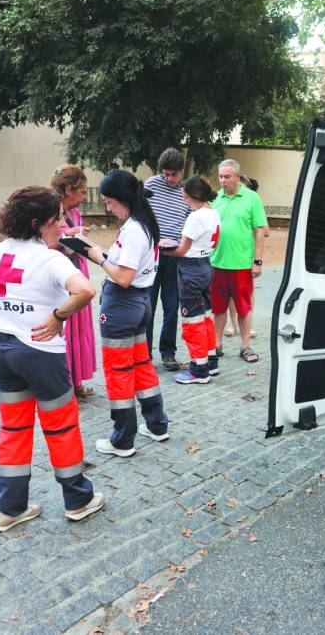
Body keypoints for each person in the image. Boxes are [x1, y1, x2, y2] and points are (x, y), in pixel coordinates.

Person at [0, 186, 105, 531]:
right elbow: (86, 291)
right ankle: (78, 500)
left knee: (13, 429)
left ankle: (9, 508)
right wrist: (59, 316)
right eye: (56, 218)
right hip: (39, 352)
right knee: (61, 428)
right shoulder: (49, 259)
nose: (61, 223)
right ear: (38, 222)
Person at [81, 170, 169, 457]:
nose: (108, 208)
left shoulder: (133, 229)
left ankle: (122, 439)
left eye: (108, 202)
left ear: (122, 199)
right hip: (140, 304)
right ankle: (156, 424)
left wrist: (98, 259)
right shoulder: (144, 224)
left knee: (118, 373)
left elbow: (123, 277)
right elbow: (125, 262)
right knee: (142, 365)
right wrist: (95, 249)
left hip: (122, 305)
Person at [211, 159, 267, 363]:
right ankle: (216, 345)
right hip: (216, 263)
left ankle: (245, 347)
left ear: (237, 176)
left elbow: (260, 230)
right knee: (218, 308)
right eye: (220, 177)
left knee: (243, 308)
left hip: (242, 265)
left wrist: (257, 261)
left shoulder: (251, 198)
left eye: (227, 176)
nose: (223, 181)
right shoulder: (215, 198)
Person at [50, 165, 98, 399]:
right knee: (65, 331)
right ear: (69, 189)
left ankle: (77, 380)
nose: (85, 196)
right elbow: (46, 243)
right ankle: (64, 382)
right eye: (82, 191)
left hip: (79, 272)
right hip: (61, 278)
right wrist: (68, 236)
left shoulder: (75, 213)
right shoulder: (52, 211)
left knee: (79, 330)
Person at [168, 176, 220, 384]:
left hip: (190, 269)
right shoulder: (213, 213)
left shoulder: (195, 217)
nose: (183, 200)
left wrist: (161, 249)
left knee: (192, 320)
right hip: (206, 265)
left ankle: (199, 370)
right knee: (206, 316)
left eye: (185, 197)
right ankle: (210, 361)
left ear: (193, 196)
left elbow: (181, 250)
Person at [144, 148, 190, 371]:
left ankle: (168, 353)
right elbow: (140, 211)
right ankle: (145, 354)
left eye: (173, 174)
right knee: (148, 305)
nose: (169, 179)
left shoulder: (187, 191)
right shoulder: (151, 185)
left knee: (172, 306)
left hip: (175, 256)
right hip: (152, 255)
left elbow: (191, 222)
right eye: (166, 174)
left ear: (182, 172)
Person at [224, 175, 265, 341]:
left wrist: (257, 261)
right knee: (230, 296)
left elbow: (264, 229)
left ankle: (246, 327)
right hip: (227, 257)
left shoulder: (252, 201)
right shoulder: (225, 199)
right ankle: (233, 325)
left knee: (245, 295)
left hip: (245, 257)